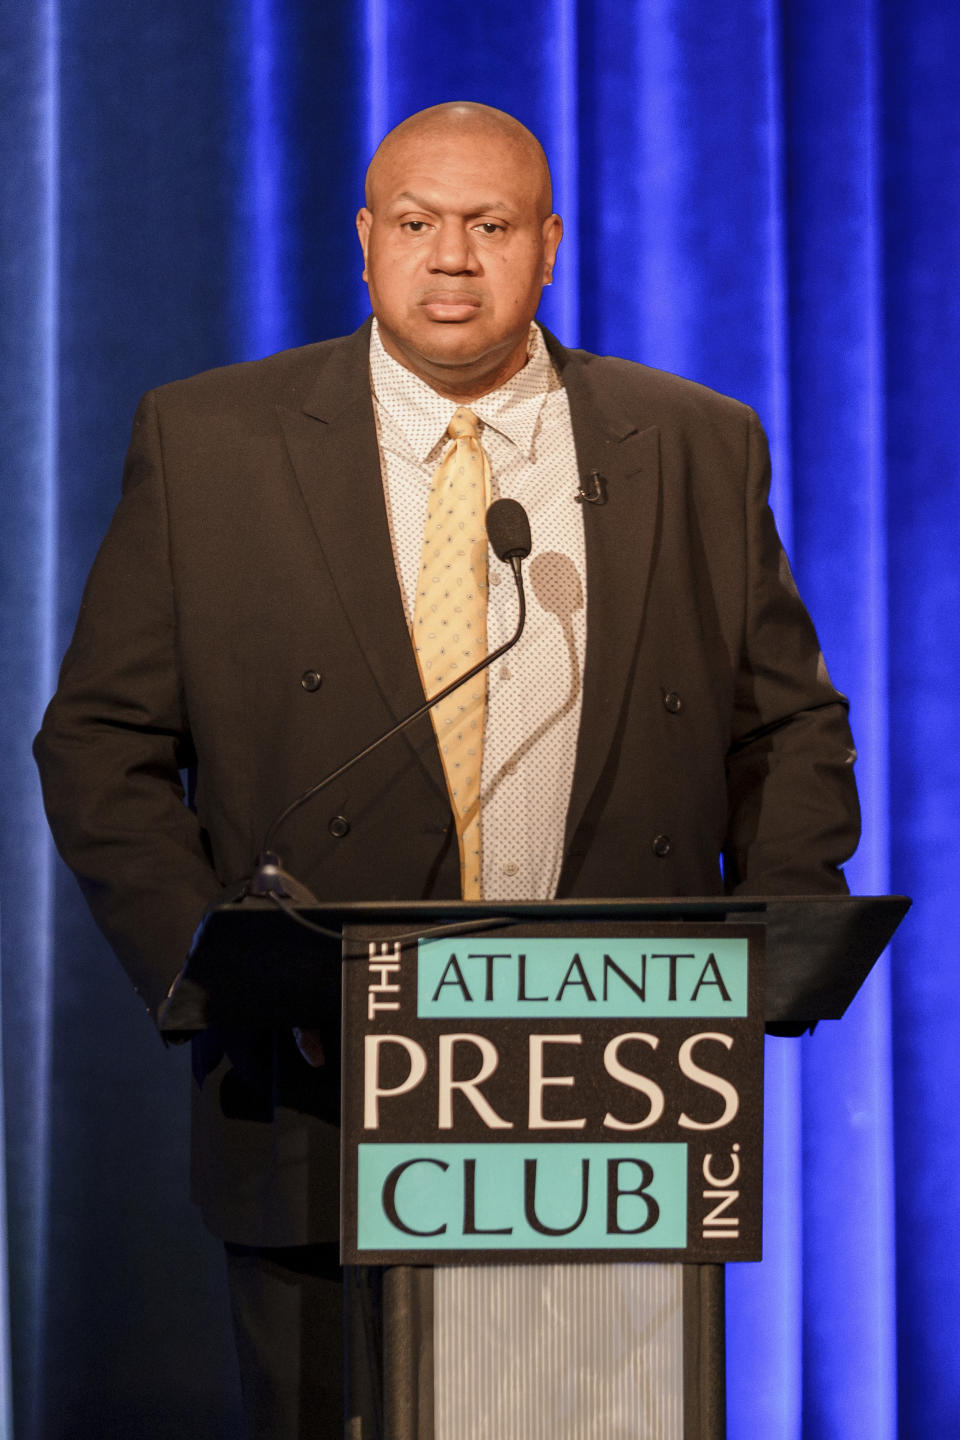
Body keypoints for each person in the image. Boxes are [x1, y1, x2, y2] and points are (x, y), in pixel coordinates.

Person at [34, 101, 859, 1437]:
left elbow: (787, 729)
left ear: (550, 245)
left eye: (490, 226)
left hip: (615, 1089)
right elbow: (102, 744)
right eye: (417, 223)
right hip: (324, 1092)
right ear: (365, 243)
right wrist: (217, 962)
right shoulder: (209, 442)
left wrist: (772, 937)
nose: (453, 259)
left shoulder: (696, 443)